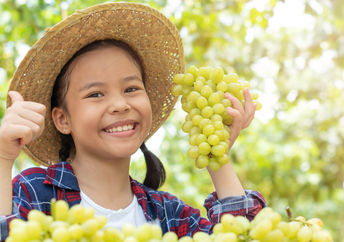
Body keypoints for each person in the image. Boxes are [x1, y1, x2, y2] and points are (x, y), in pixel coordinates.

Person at [0, 2, 266, 240]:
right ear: (62, 119)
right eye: (95, 94)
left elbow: (246, 236)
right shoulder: (33, 193)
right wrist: (3, 158)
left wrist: (216, 157)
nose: (120, 104)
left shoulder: (169, 215)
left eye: (131, 89)